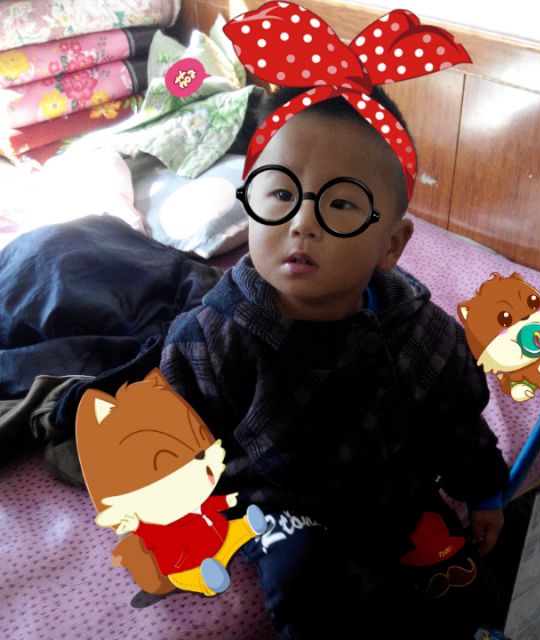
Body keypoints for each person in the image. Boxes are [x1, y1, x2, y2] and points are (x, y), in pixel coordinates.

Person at [159, 81, 510, 639]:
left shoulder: (421, 330)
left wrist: (484, 489)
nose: (302, 221)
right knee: (305, 577)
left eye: (341, 203)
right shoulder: (211, 337)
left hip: (396, 491)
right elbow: (176, 442)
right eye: (280, 193)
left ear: (391, 245)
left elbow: (456, 422)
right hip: (278, 501)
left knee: (459, 582)